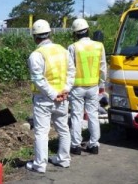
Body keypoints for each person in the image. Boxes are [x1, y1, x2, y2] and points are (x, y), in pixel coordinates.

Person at [26, 19, 75, 173]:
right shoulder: (63, 50)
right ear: (49, 33)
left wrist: (53, 94)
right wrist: (66, 90)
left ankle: (40, 164)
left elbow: (38, 79)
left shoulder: (36, 55)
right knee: (64, 129)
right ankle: (64, 159)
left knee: (41, 132)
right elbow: (71, 72)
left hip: (44, 99)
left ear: (35, 37)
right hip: (62, 97)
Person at [68, 18, 107, 155]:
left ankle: (76, 145)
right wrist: (102, 84)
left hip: (77, 87)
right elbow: (103, 67)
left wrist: (67, 86)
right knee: (93, 115)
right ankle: (94, 144)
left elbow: (70, 68)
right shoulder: (99, 45)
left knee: (76, 116)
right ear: (88, 30)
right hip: (93, 86)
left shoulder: (73, 47)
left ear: (75, 33)